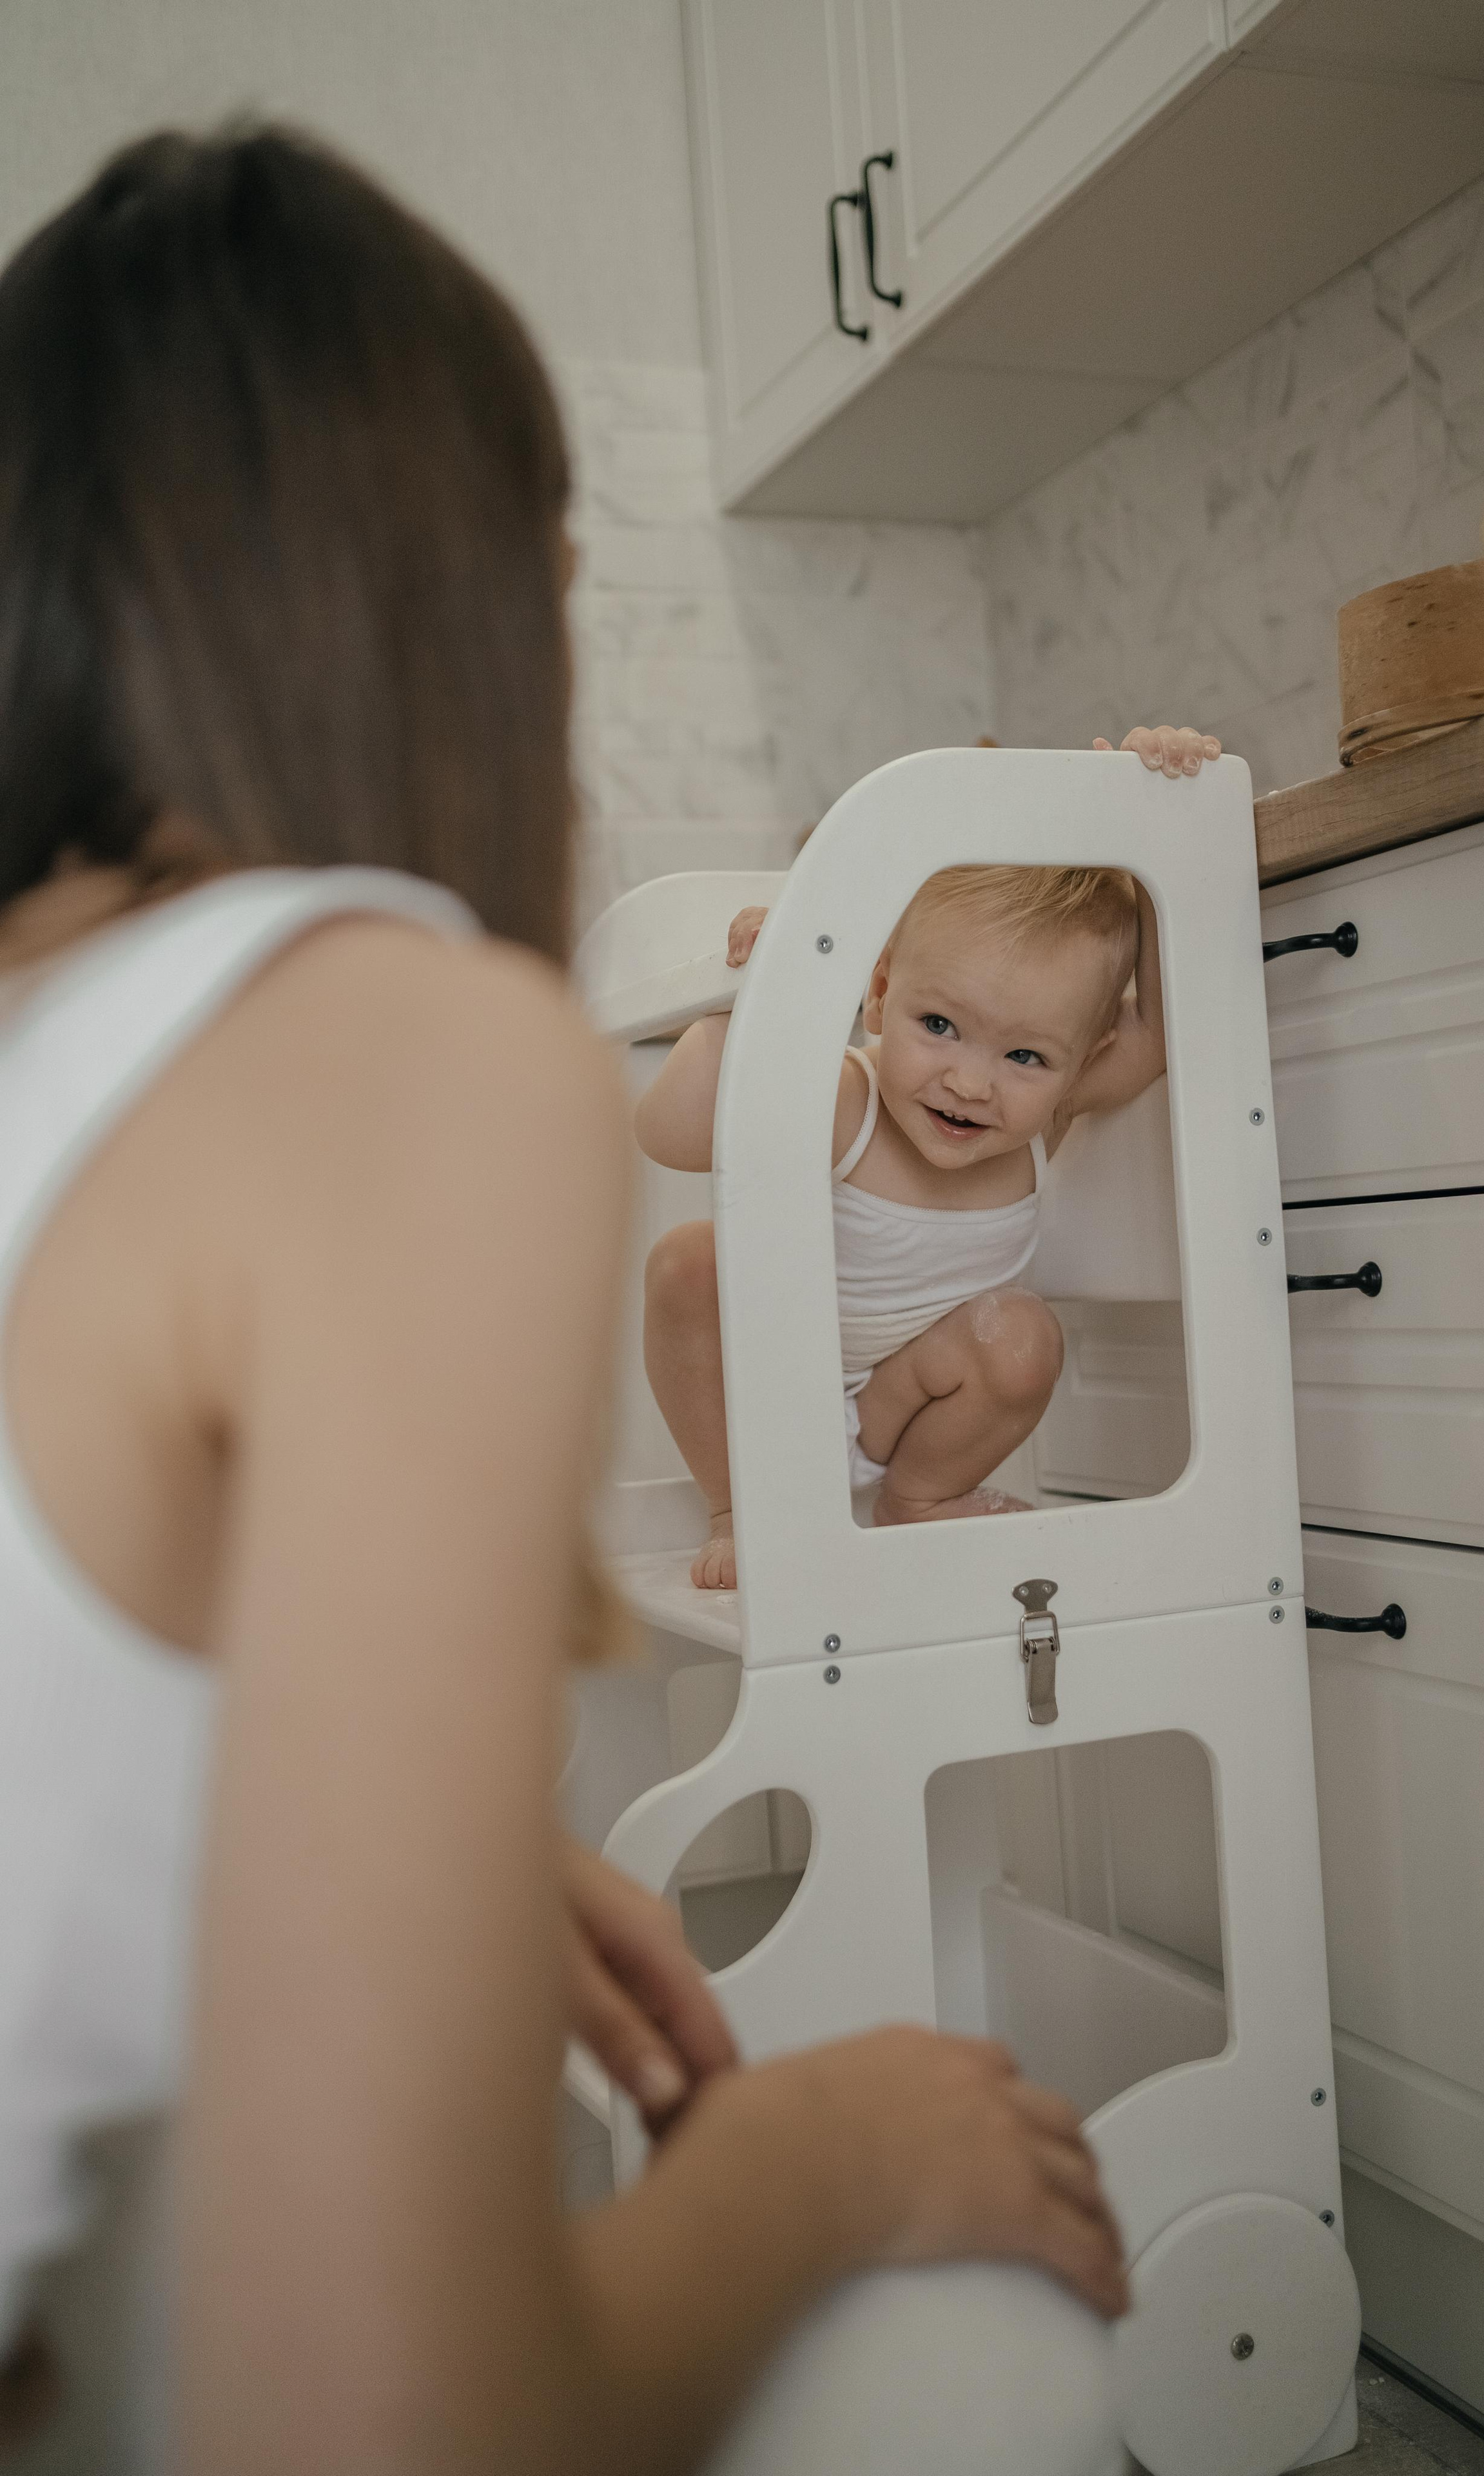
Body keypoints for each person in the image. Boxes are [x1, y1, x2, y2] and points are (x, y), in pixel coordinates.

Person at [0, 125, 1132, 2475]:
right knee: (1003, 2340)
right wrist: (834, 2161)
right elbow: (385, 2418)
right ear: (465, 612)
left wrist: (429, 1839)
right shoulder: (396, 1035)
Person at [638, 728, 1220, 1591]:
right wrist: (755, 1002)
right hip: (767, 1407)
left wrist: (1144, 834)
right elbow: (668, 1132)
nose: (971, 1083)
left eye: (1025, 1057)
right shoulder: (845, 1100)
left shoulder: (1045, 1119)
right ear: (876, 993)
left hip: (900, 1412)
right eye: (939, 1026)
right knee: (687, 1261)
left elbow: (1168, 1027)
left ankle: (918, 1499)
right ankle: (736, 1510)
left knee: (1022, 1339)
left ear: (1081, 1059)